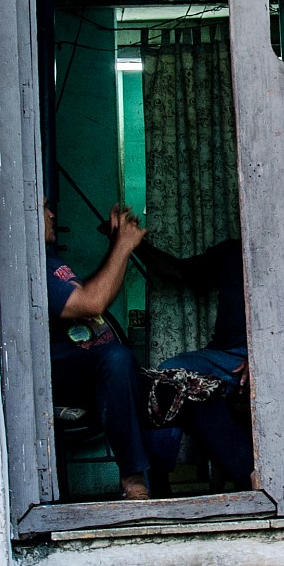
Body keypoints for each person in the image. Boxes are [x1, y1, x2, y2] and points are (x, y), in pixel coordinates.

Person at [46, 202, 163, 500]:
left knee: (166, 385)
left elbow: (90, 291)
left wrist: (116, 245)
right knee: (118, 359)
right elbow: (92, 302)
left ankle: (162, 483)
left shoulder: (51, 261)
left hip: (91, 367)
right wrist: (123, 246)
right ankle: (133, 478)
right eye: (43, 208)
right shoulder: (31, 267)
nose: (52, 214)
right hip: (67, 377)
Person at [129, 225, 256, 493]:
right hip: (224, 356)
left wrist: (264, 355)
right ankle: (158, 483)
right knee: (167, 378)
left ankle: (251, 476)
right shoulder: (230, 252)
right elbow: (179, 272)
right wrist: (132, 242)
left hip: (269, 353)